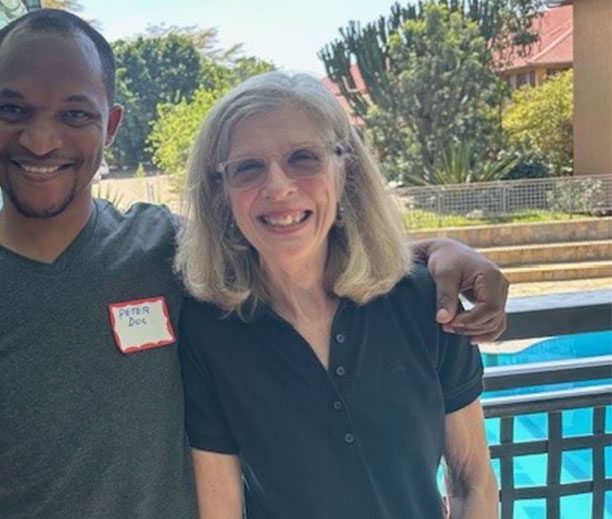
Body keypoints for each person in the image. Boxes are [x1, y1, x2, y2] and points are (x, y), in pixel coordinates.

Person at [0, 9, 506, 519]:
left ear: (111, 125)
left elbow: (294, 241)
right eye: (14, 110)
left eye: (74, 114)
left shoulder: (163, 252)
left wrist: (442, 257)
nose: (42, 140)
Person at [175, 72, 499, 519]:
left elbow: (473, 482)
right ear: (221, 192)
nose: (278, 187)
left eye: (302, 158)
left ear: (343, 170)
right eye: (248, 167)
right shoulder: (210, 330)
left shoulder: (423, 301)